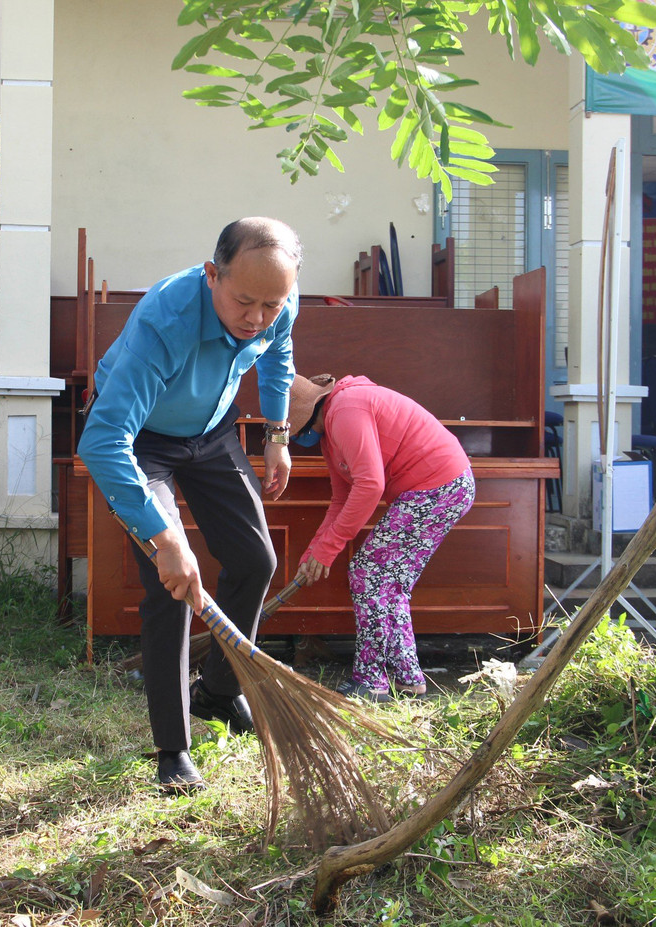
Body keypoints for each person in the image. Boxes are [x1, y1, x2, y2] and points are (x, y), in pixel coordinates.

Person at [76, 217, 301, 792]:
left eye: (271, 305)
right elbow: (103, 441)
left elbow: (279, 355)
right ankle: (172, 748)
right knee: (171, 584)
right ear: (212, 275)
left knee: (255, 560)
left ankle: (218, 693)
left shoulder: (278, 302)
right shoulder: (165, 321)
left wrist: (277, 435)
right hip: (142, 439)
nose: (257, 318)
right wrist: (164, 536)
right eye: (244, 302)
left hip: (213, 431)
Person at [288, 374, 475, 702]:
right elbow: (341, 498)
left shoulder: (345, 410)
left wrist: (330, 547)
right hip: (440, 488)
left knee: (368, 572)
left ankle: (371, 681)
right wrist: (315, 552)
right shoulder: (331, 432)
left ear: (305, 414)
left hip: (438, 486)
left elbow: (370, 485)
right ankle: (408, 679)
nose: (293, 437)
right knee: (388, 584)